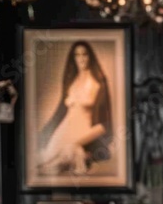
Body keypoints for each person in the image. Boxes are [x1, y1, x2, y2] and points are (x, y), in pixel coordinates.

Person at [37, 41, 113, 176]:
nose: (81, 58)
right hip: (64, 129)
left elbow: (104, 124)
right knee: (45, 163)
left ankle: (81, 156)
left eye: (85, 54)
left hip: (84, 130)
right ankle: (80, 156)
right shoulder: (71, 80)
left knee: (64, 157)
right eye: (77, 55)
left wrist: (78, 142)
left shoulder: (99, 81)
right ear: (73, 58)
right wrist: (44, 132)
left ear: (90, 56)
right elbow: (60, 111)